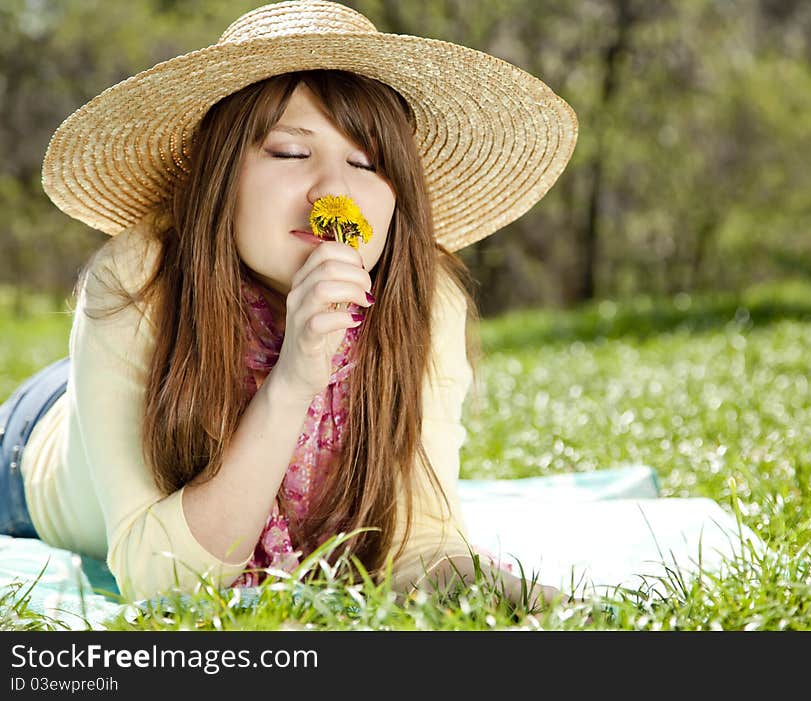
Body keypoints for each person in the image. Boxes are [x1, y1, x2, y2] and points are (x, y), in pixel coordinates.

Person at [1, 0, 578, 608]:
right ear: (217, 174)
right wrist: (294, 379)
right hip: (38, 444)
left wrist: (508, 595)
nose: (334, 191)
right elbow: (159, 581)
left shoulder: (424, 298)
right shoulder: (135, 281)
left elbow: (418, 543)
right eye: (289, 152)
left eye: (365, 162)